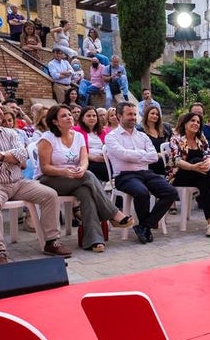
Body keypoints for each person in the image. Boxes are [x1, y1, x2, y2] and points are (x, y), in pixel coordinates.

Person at [0, 96, 73, 264]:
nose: (0, 111)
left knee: (49, 194)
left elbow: (23, 156)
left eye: (0, 108)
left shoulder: (10, 133)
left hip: (17, 182)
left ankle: (51, 241)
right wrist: (10, 158)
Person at [37, 105, 133, 252]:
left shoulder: (78, 136)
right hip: (50, 180)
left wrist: (81, 168)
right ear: (55, 121)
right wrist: (65, 172)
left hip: (75, 178)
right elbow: (45, 168)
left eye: (69, 114)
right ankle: (113, 214)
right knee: (88, 176)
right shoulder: (47, 138)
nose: (69, 117)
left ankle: (94, 240)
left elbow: (83, 160)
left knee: (86, 192)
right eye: (64, 116)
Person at [104, 101, 179, 244]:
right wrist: (141, 155)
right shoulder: (111, 137)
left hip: (145, 173)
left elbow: (153, 157)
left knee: (171, 192)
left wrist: (134, 156)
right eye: (129, 114)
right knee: (142, 192)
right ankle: (146, 227)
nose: (133, 117)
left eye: (134, 114)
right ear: (119, 116)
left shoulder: (142, 136)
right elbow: (122, 155)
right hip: (124, 175)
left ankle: (144, 225)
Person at [168, 111, 210, 237]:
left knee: (204, 182)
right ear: (185, 123)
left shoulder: (201, 138)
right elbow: (177, 160)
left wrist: (207, 162)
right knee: (198, 163)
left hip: (199, 175)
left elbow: (207, 154)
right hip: (179, 175)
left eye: (198, 122)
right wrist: (193, 167)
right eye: (192, 121)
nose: (196, 123)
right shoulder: (176, 139)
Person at [138, 104, 172, 175]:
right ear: (147, 115)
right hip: (150, 162)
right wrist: (158, 154)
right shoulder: (140, 131)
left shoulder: (163, 130)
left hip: (163, 160)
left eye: (157, 114)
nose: (155, 116)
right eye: (152, 113)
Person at [78, 106, 108, 180]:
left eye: (94, 116)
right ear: (82, 118)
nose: (92, 118)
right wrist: (94, 158)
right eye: (88, 116)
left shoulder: (103, 132)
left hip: (104, 159)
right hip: (87, 161)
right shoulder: (76, 131)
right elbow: (75, 151)